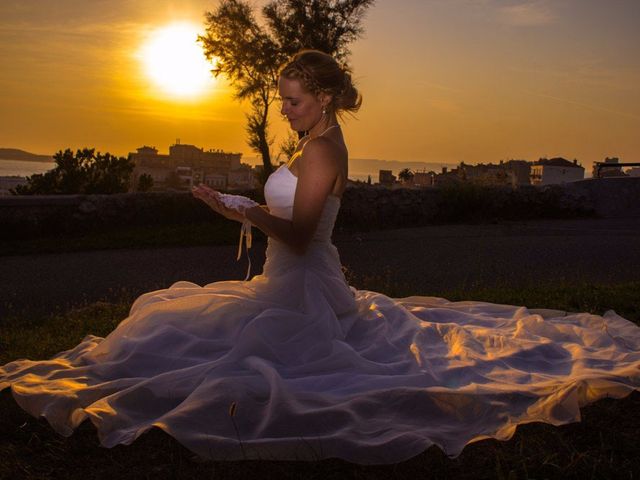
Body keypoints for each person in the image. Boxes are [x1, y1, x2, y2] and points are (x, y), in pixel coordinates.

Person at [1, 50, 640, 465]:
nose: (287, 109)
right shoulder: (317, 140)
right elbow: (292, 218)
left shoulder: (326, 149)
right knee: (182, 332)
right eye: (283, 100)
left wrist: (241, 211)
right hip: (296, 277)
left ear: (326, 99)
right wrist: (233, 206)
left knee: (203, 344)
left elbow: (301, 235)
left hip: (299, 283)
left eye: (296, 101)